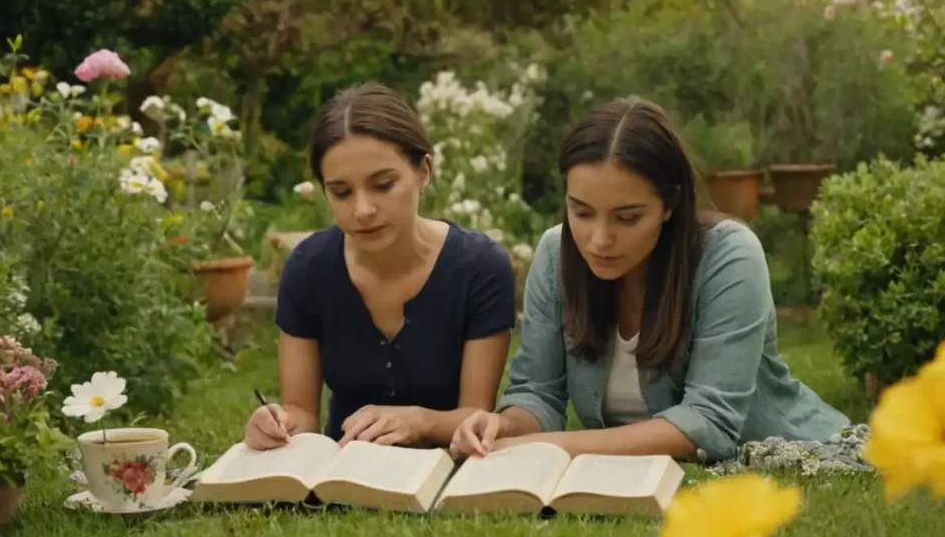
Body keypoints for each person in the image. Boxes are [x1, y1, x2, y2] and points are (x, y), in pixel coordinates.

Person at [449, 96, 850, 464]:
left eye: (627, 217)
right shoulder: (556, 252)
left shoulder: (729, 255)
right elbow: (537, 393)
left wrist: (541, 447)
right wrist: (503, 427)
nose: (599, 239)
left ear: (670, 204)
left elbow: (708, 422)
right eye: (582, 212)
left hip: (796, 456)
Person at [244, 82, 515, 451]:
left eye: (383, 185)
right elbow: (301, 411)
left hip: (442, 470)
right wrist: (280, 423)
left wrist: (418, 421)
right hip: (343, 470)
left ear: (424, 172)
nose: (363, 210)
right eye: (341, 192)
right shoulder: (308, 269)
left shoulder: (480, 268)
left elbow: (475, 413)